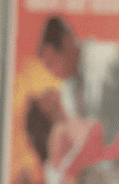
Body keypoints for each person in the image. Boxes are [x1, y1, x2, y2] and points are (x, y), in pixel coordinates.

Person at [37, 16, 119, 148]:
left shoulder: (109, 59)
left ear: (66, 41)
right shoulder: (67, 90)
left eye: (51, 63)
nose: (53, 72)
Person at [25, 87, 119, 184]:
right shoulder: (59, 131)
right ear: (45, 109)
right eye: (45, 98)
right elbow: (58, 174)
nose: (52, 93)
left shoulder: (71, 119)